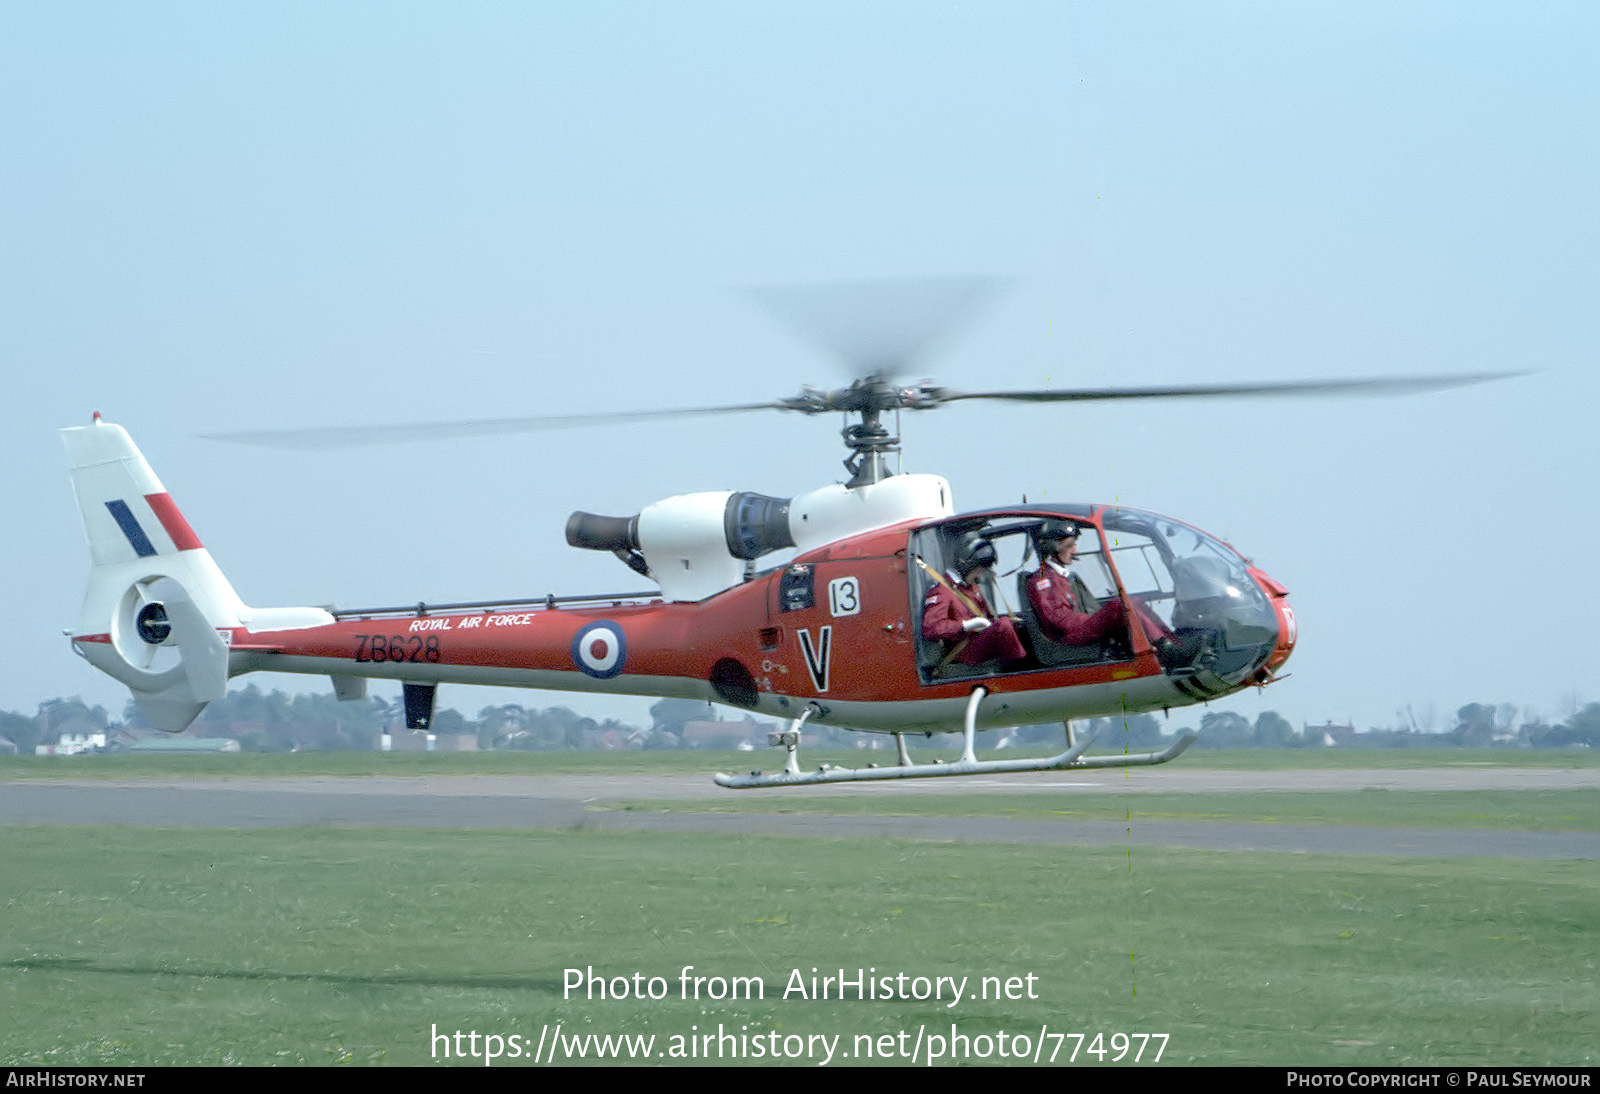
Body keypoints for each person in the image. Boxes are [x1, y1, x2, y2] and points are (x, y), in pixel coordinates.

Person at [921, 533, 1027, 670]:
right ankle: (1020, 670)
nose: (981, 575)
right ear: (968, 565)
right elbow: (931, 628)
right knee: (1003, 626)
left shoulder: (973, 589)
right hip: (963, 650)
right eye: (979, 570)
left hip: (977, 643)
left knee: (1020, 627)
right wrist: (965, 625)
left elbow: (988, 620)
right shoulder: (943, 590)